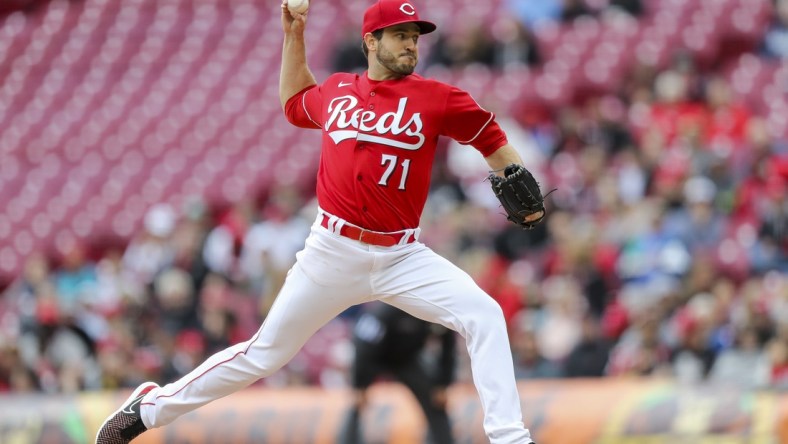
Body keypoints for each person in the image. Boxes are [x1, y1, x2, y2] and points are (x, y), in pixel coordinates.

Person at [96, 1, 543, 442]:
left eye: (415, 37)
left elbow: (490, 137)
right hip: (332, 251)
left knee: (484, 314)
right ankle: (148, 410)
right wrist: (294, 35)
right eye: (401, 35)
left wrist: (515, 175)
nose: (411, 44)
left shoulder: (438, 97)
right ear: (371, 40)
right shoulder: (337, 91)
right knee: (262, 355)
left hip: (401, 255)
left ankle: (509, 438)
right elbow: (294, 102)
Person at [339, 302, 456, 444]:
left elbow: (448, 346)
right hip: (375, 358)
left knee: (435, 401)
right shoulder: (384, 311)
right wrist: (358, 385)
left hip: (406, 359)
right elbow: (363, 346)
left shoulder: (434, 311)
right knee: (357, 403)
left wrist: (443, 383)